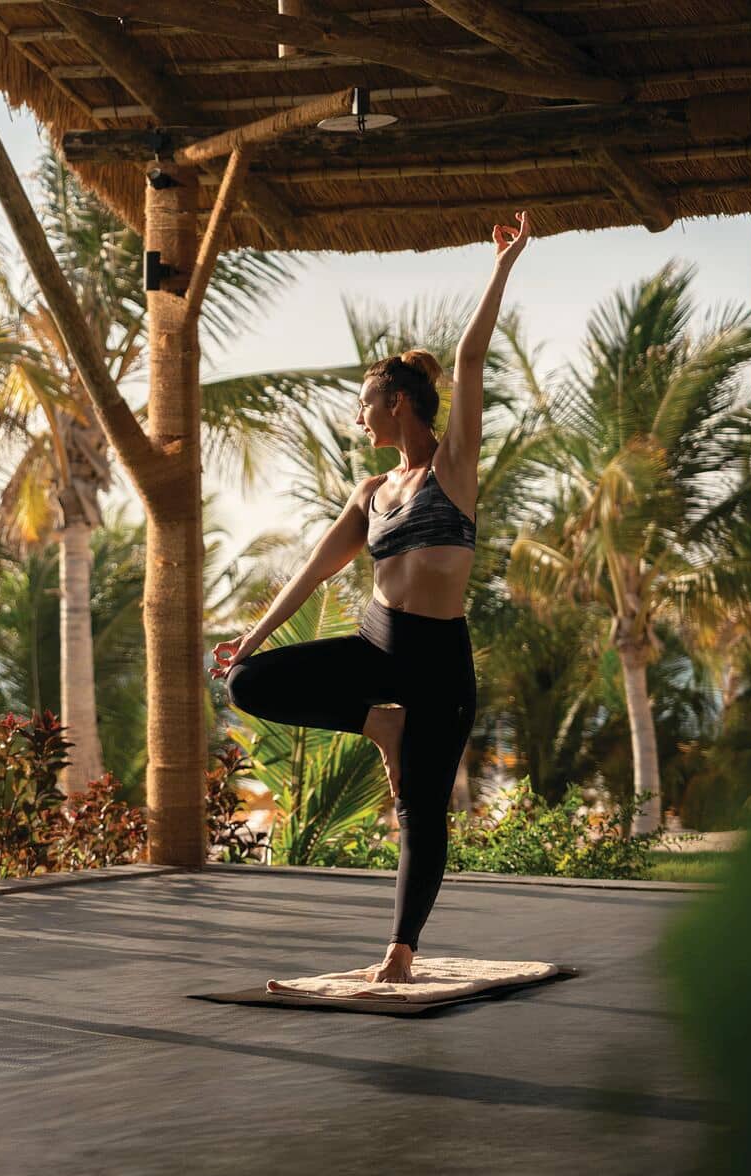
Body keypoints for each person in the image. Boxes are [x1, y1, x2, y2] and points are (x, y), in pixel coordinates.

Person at [209, 212, 533, 984]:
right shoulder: (370, 490)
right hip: (377, 645)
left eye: (365, 401)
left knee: (423, 813)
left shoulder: (453, 467)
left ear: (398, 405)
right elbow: (314, 571)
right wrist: (250, 641)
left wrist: (504, 264)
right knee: (249, 684)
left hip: (439, 663)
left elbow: (470, 354)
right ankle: (375, 724)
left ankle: (401, 949)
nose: (356, 415)